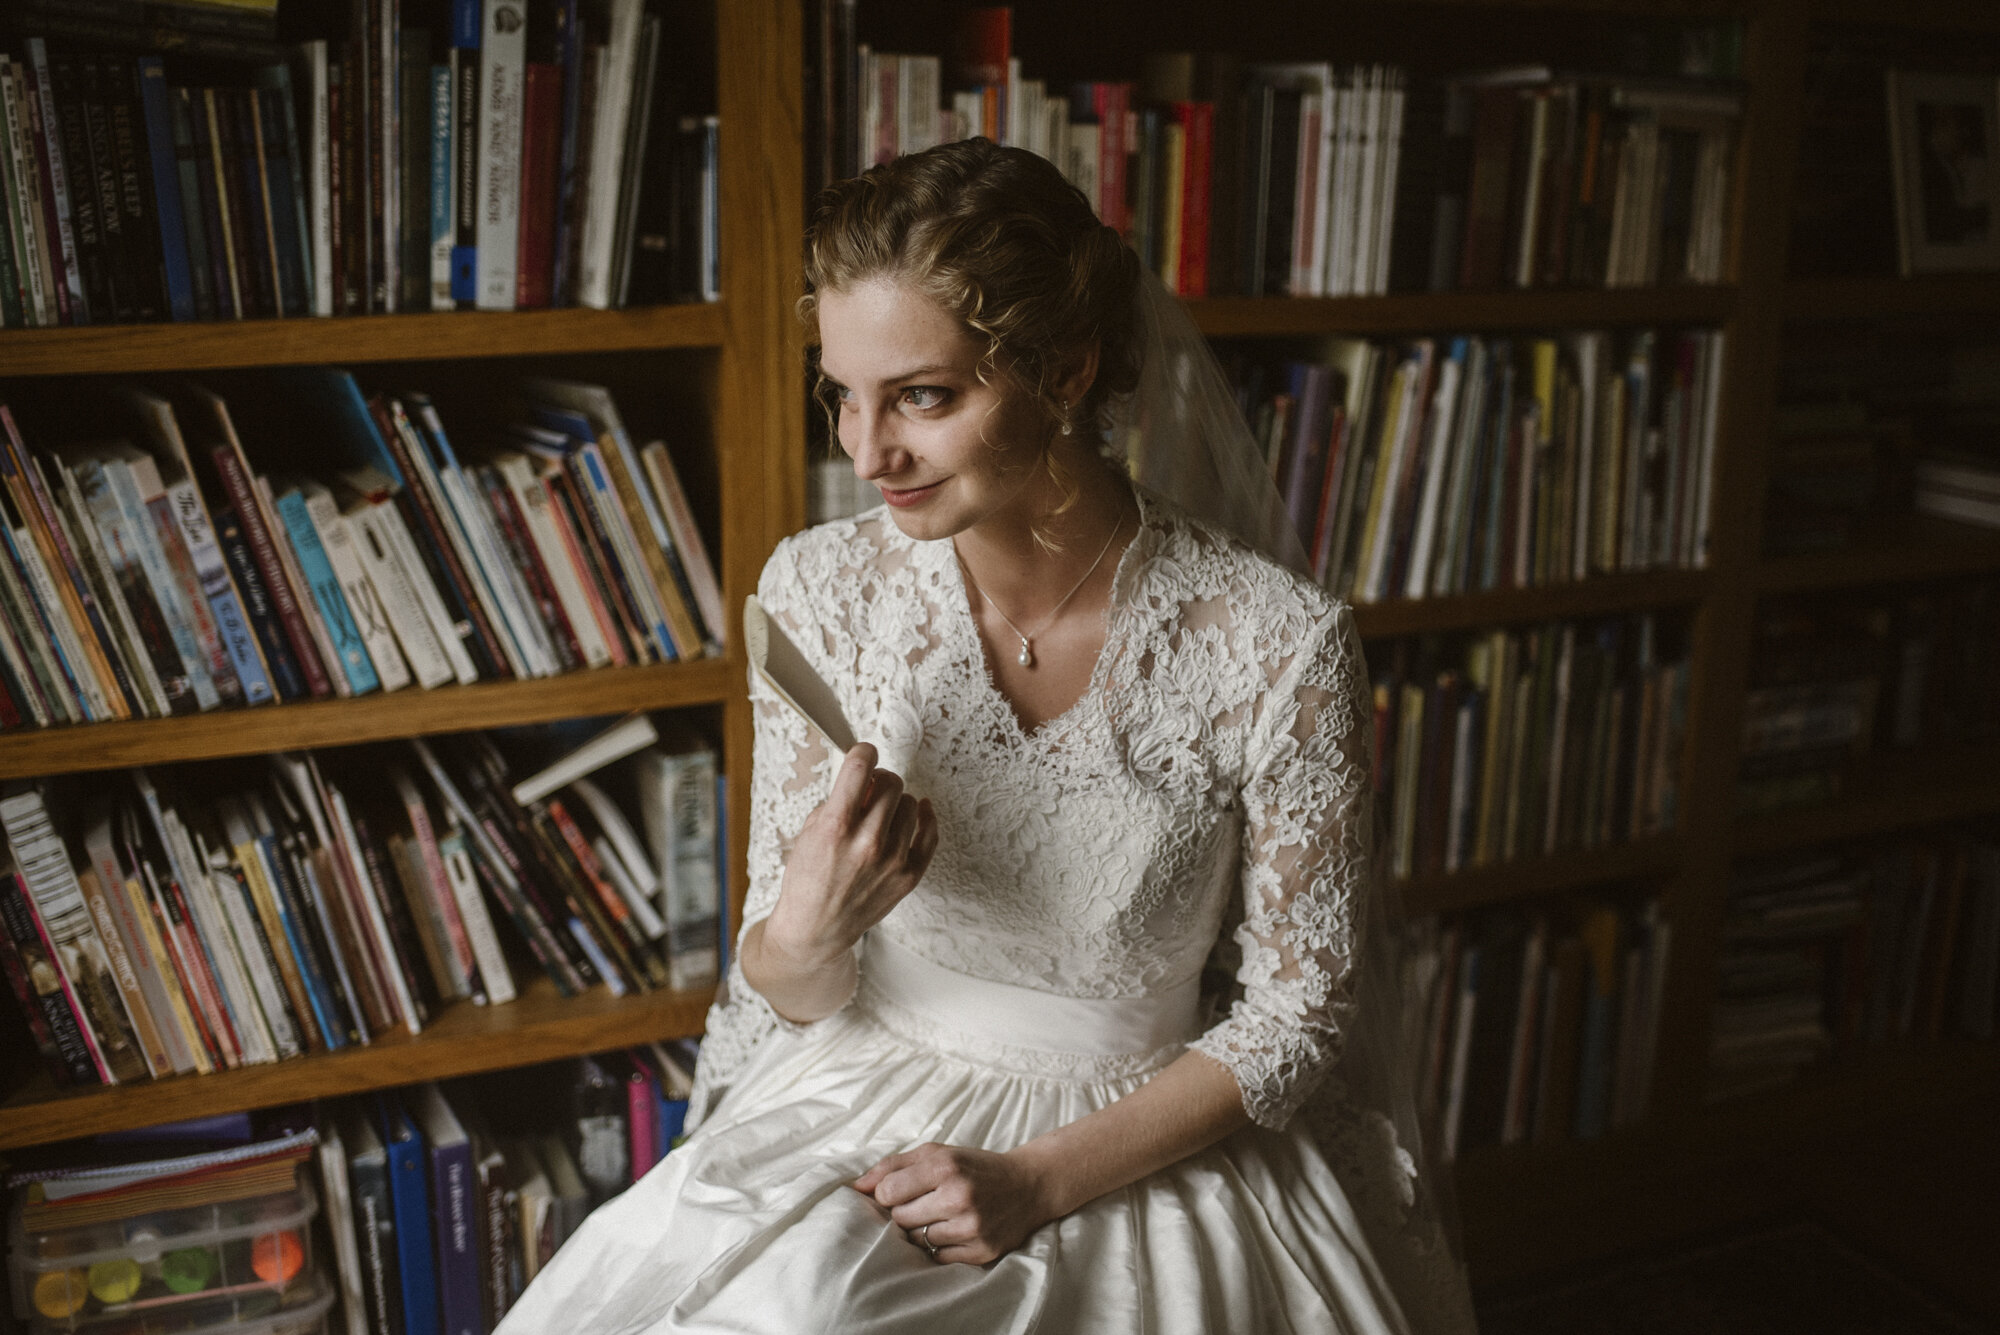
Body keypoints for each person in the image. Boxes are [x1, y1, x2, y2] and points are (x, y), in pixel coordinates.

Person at [496, 138, 1475, 1334]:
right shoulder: (820, 591)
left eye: (922, 396)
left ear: (1065, 368)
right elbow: (783, 982)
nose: (866, 454)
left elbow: (1295, 1020)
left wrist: (1033, 1182)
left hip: (1130, 1144)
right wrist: (809, 928)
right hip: (860, 1104)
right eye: (841, 395)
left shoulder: (1275, 645)